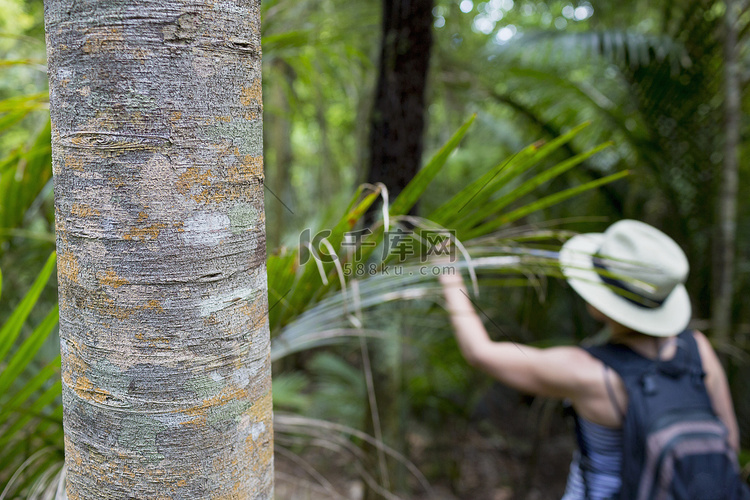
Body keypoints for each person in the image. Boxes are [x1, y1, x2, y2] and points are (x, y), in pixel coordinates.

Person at [439, 219, 743, 499]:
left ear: (602, 303)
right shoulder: (697, 348)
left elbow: (479, 352)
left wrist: (446, 268)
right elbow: (729, 442)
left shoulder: (588, 373)